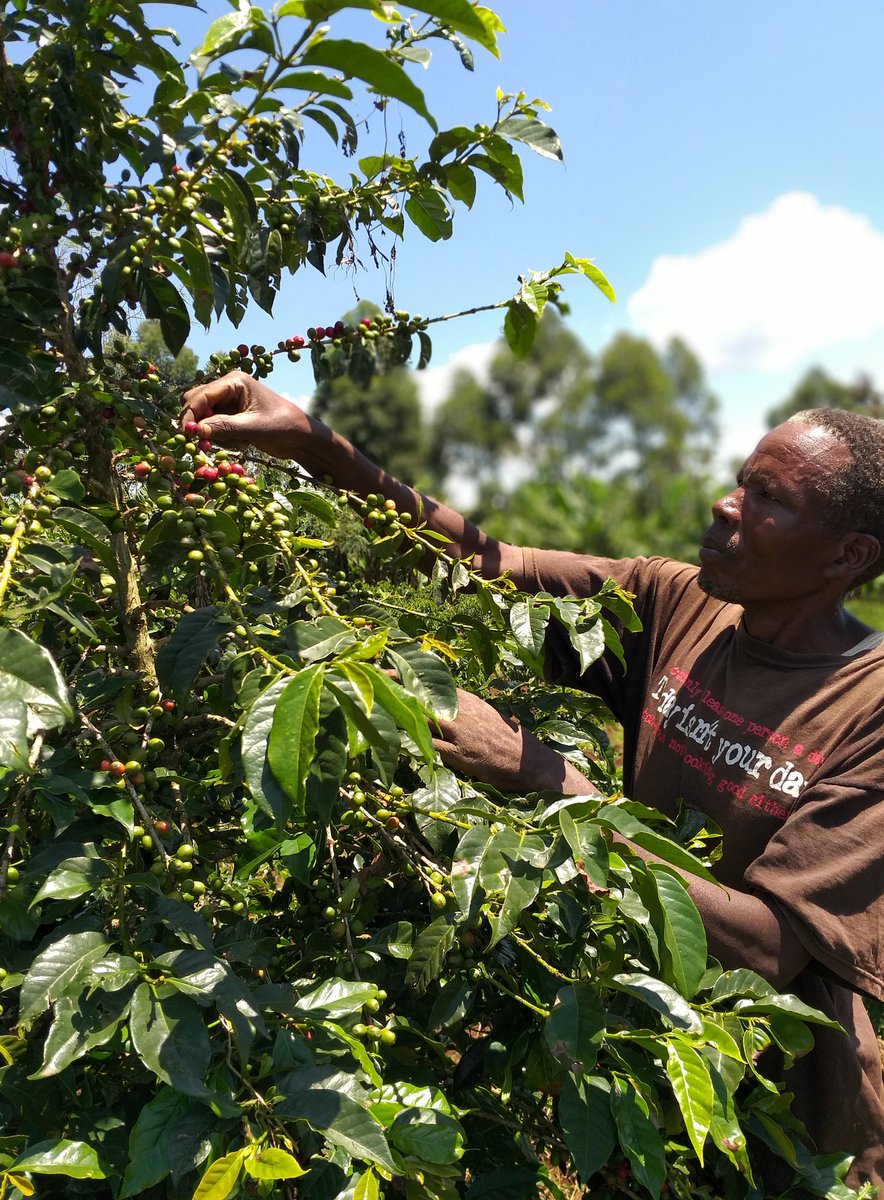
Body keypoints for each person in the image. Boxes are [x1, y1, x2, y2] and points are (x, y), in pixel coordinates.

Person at [182, 372, 884, 1191]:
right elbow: (491, 565)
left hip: (783, 1127)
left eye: (767, 497)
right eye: (739, 480)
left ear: (849, 555)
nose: (726, 505)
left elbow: (768, 947)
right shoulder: (675, 601)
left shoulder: (869, 712)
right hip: (636, 1061)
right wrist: (317, 446)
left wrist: (546, 777)